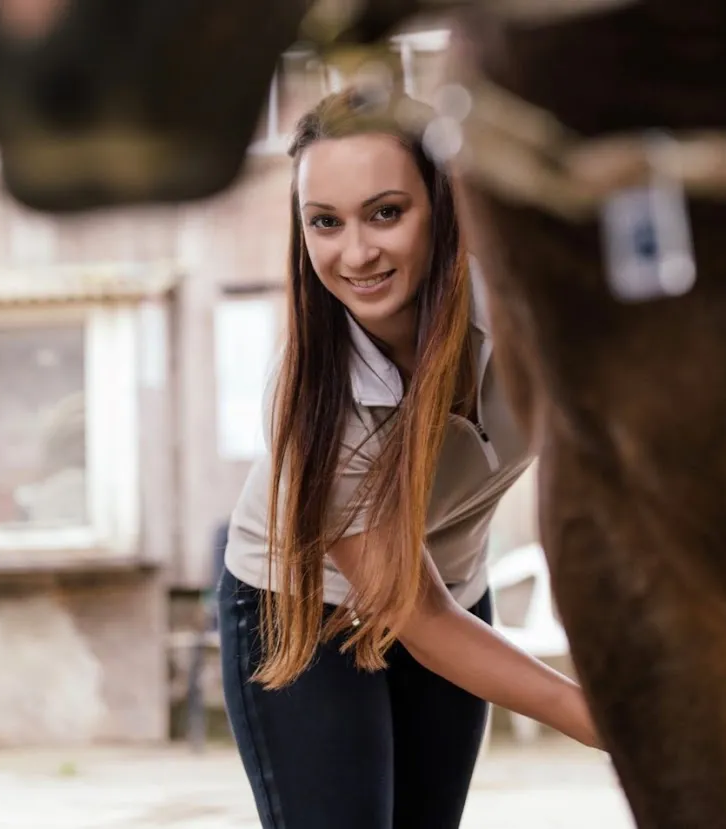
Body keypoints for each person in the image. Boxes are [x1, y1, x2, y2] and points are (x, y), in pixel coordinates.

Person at [218, 86, 600, 829]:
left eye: (386, 212)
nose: (355, 253)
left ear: (443, 204)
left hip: (450, 589)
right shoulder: (314, 407)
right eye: (324, 223)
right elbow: (411, 608)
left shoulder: (533, 317)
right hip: (302, 607)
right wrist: (604, 719)